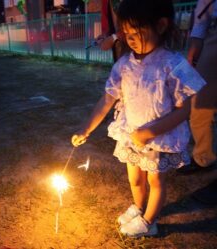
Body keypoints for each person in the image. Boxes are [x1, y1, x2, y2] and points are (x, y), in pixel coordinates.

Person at [71, 0, 206, 237]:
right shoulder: (124, 65)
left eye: (137, 32)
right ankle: (139, 207)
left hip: (158, 138)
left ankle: (149, 222)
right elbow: (107, 100)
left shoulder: (172, 64)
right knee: (134, 179)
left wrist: (150, 132)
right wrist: (85, 129)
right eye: (127, 33)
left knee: (155, 182)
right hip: (130, 133)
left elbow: (184, 110)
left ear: (161, 26)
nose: (130, 38)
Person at [181, 0, 217, 172]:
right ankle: (204, 157)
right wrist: (196, 45)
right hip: (214, 35)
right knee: (200, 103)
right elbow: (203, 16)